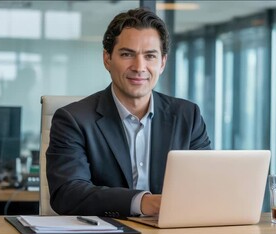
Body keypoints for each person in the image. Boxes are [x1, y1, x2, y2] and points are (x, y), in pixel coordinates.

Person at [46, 8, 211, 218]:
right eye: (127, 54)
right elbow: (67, 194)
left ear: (162, 63)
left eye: (150, 56)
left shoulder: (188, 115)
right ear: (107, 59)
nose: (139, 67)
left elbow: (204, 185)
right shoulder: (73, 120)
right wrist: (143, 202)